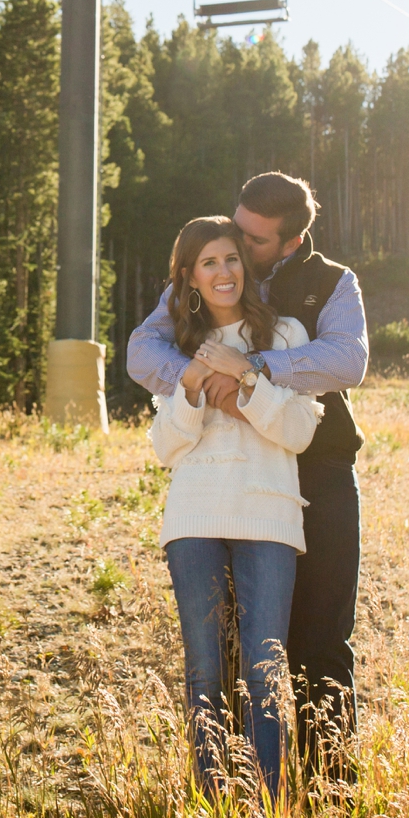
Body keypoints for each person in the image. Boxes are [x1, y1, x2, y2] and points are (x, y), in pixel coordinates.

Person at [129, 171, 368, 784]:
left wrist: (251, 367)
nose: (235, 244)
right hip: (227, 478)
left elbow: (347, 360)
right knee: (227, 645)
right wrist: (201, 379)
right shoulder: (213, 274)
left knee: (320, 637)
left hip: (318, 471)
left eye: (252, 241)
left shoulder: (332, 284)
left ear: (288, 243)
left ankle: (326, 789)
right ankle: (236, 787)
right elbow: (145, 349)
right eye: (235, 226)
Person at [147, 215, 318, 802]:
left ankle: (268, 809)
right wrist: (194, 382)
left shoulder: (287, 335)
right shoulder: (173, 347)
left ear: (246, 268)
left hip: (267, 516)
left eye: (232, 260)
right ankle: (214, 810)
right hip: (194, 517)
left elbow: (298, 432)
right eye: (210, 263)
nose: (224, 272)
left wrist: (244, 380)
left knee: (264, 673)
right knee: (205, 675)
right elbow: (165, 446)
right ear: (190, 278)